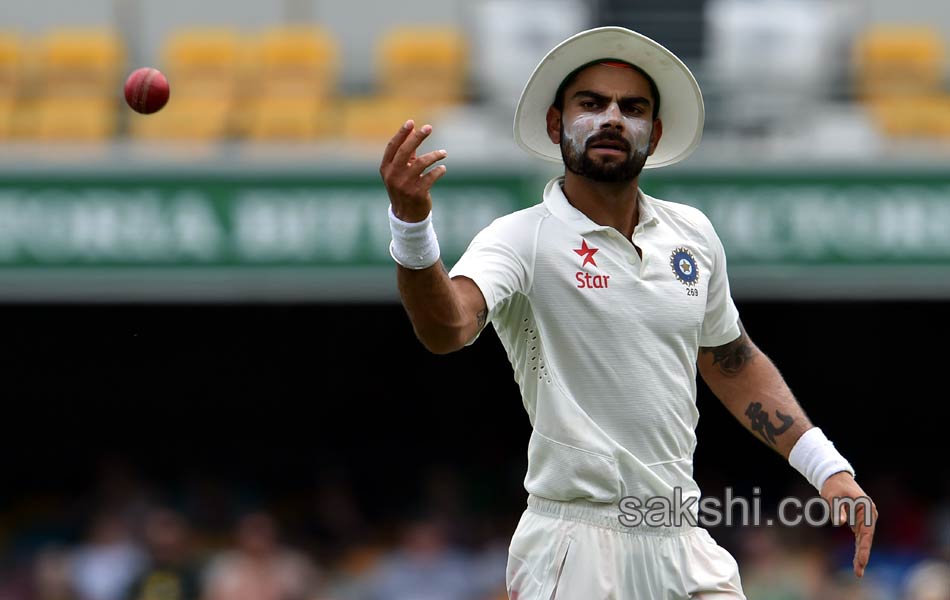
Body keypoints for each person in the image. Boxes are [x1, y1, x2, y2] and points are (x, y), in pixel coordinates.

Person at [379, 26, 878, 598]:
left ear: (654, 133)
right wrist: (411, 228)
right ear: (554, 124)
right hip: (575, 541)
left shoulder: (693, 233)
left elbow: (731, 362)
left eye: (632, 108)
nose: (612, 118)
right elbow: (446, 330)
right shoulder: (520, 239)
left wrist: (827, 467)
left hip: (679, 530)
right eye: (591, 104)